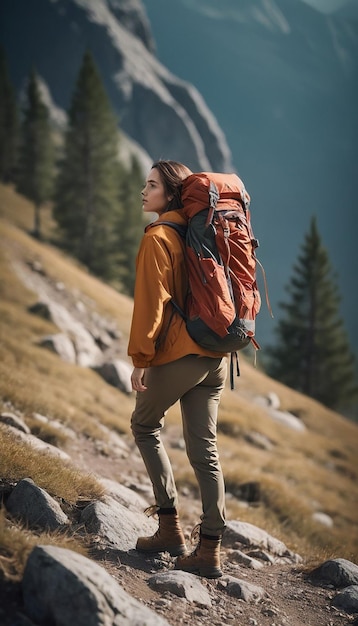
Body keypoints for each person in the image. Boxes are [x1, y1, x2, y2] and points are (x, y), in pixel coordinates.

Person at [128, 160, 228, 578]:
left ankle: (169, 528)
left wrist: (140, 360)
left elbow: (151, 305)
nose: (143, 191)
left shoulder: (159, 238)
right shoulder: (199, 235)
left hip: (180, 355)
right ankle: (210, 550)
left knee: (144, 426)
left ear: (170, 195)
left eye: (151, 185)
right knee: (205, 452)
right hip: (215, 356)